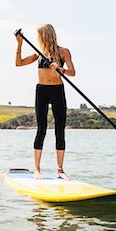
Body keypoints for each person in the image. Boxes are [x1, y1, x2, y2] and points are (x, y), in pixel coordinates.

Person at [14, 24, 75, 180]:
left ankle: (60, 171)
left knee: (59, 130)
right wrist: (19, 44)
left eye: (39, 35)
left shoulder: (63, 52)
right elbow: (18, 63)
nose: (38, 38)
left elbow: (72, 72)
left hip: (57, 91)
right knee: (41, 129)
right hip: (42, 91)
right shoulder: (39, 53)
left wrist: (60, 69)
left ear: (46, 35)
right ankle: (36, 169)